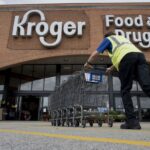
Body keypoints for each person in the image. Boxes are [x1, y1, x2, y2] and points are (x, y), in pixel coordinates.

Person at [84, 31, 150, 130]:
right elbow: (127, 53)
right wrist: (111, 68)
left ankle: (132, 122)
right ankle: (132, 121)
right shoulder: (122, 39)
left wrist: (87, 62)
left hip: (126, 60)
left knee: (125, 90)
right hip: (140, 57)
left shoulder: (108, 39)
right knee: (147, 86)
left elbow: (96, 52)